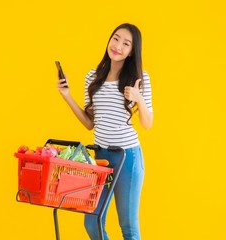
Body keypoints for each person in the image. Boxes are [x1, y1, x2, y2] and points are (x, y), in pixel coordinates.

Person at [56, 23, 153, 240]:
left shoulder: (139, 79)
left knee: (128, 226)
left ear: (131, 52)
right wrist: (67, 96)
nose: (118, 46)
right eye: (115, 38)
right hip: (100, 158)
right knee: (92, 221)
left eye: (126, 43)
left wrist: (139, 99)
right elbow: (90, 123)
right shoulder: (93, 77)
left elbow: (147, 123)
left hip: (128, 157)